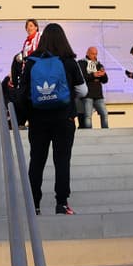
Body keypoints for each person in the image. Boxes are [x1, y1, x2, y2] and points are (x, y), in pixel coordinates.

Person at [16, 23, 87, 215]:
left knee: (37, 160)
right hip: (64, 118)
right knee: (62, 160)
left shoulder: (31, 61)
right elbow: (83, 90)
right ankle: (61, 204)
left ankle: (34, 206)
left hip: (38, 119)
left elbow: (22, 91)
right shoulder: (70, 61)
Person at [78, 46, 110, 129]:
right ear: (87, 53)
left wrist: (103, 75)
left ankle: (105, 131)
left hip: (98, 95)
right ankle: (89, 133)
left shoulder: (98, 64)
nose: (95, 56)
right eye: (93, 54)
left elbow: (105, 80)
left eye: (96, 54)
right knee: (88, 115)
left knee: (104, 114)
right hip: (88, 94)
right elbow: (81, 77)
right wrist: (93, 75)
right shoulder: (81, 63)